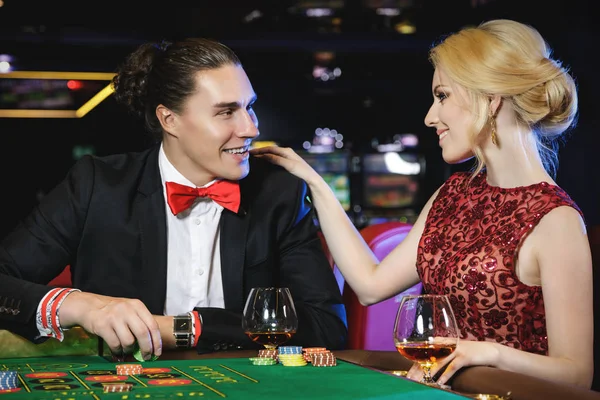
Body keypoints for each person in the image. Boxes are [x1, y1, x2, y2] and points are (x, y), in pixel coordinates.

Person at [251, 19, 593, 388]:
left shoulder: (555, 219)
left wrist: (489, 353)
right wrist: (316, 184)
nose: (430, 116)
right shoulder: (452, 195)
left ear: (490, 101)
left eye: (442, 96)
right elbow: (370, 285)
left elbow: (576, 374)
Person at [0, 38, 347, 360]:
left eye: (249, 107)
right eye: (226, 112)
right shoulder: (97, 185)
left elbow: (327, 327)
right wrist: (78, 306)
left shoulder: (278, 194)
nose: (251, 128)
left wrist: (189, 329)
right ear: (170, 119)